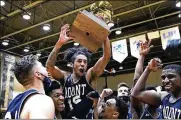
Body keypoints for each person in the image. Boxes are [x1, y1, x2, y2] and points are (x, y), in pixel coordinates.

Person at [46, 24, 111, 119]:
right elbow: (49, 66)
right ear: (72, 64)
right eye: (79, 61)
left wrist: (104, 34)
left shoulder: (89, 75)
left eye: (85, 62)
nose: (83, 64)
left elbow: (106, 56)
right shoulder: (65, 77)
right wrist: (59, 43)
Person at [4, 55, 55, 119]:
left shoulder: (13, 102)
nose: (46, 69)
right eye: (42, 66)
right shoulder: (41, 101)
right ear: (38, 74)